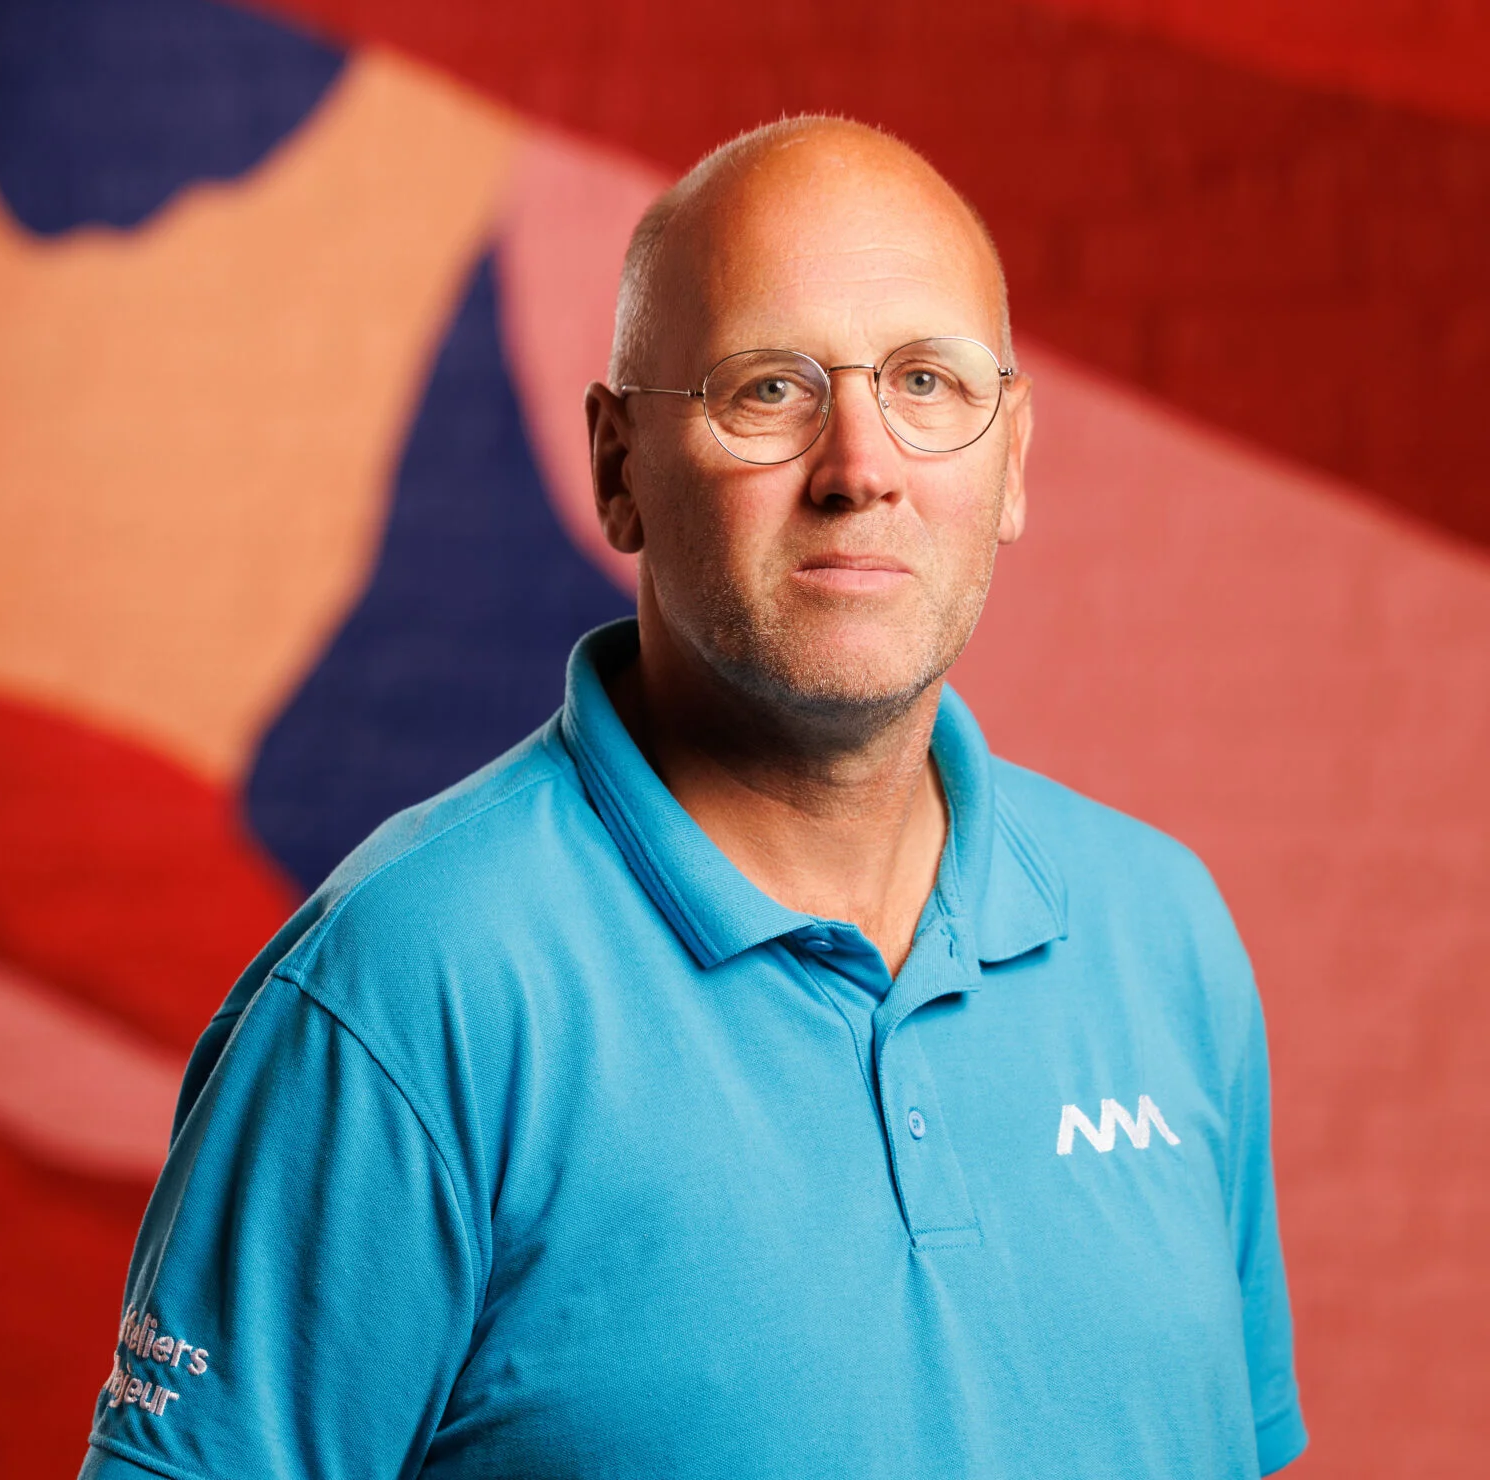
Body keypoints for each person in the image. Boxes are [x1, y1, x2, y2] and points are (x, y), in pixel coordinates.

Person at [80, 117, 1306, 1479]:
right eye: (769, 389)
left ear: (1010, 460)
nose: (861, 468)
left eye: (927, 381)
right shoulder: (409, 987)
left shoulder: (1161, 936)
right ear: (620, 468)